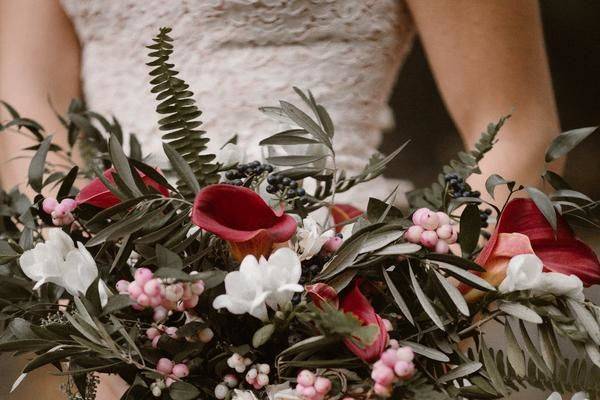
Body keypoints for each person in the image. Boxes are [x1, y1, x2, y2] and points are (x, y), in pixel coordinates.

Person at [0, 1, 562, 399]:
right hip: (133, 308)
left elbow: (516, 129)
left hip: (343, 293)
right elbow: (29, 131)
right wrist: (96, 309)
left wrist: (407, 319)